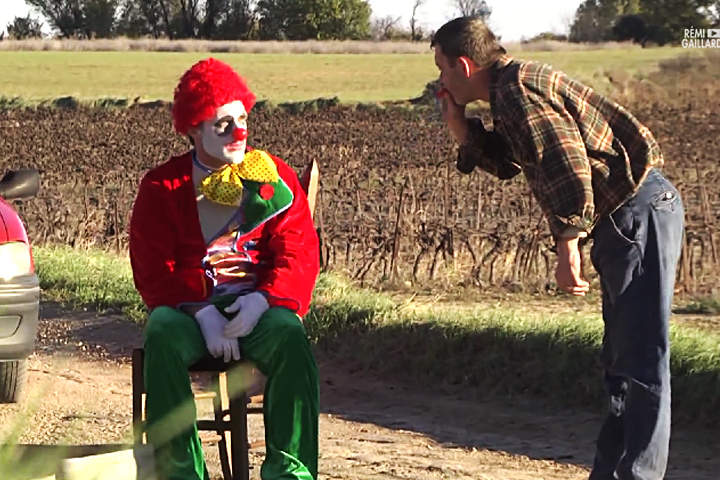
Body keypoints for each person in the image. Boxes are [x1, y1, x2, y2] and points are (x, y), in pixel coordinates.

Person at [431, 17, 684, 480]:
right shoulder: (512, 88)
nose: (440, 81)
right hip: (629, 215)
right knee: (622, 362)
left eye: (442, 69)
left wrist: (568, 244)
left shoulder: (517, 92)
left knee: (641, 359)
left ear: (463, 65)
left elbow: (564, 161)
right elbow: (512, 160)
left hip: (636, 211)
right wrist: (461, 129)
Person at [129, 58, 319, 480]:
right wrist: (201, 312)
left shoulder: (274, 177)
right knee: (161, 331)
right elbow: (153, 268)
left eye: (243, 119)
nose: (239, 133)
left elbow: (299, 251)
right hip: (191, 315)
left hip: (259, 310)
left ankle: (290, 473)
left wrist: (264, 300)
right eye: (223, 124)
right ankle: (179, 472)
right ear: (194, 129)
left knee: (290, 335)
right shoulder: (162, 187)